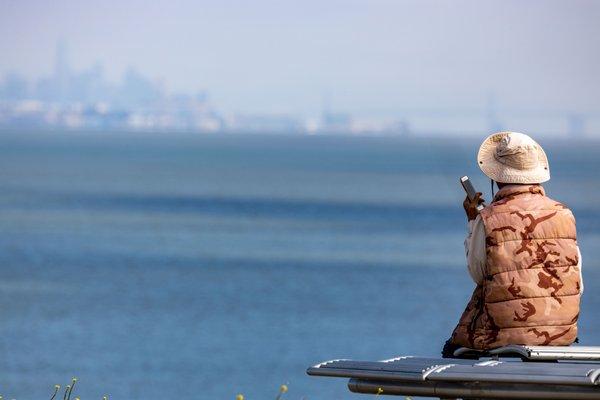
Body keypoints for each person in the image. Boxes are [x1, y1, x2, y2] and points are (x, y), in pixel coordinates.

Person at [442, 131, 583, 358]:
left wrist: (472, 222)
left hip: (501, 335)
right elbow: (577, 282)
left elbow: (479, 274)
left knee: (451, 350)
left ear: (496, 177)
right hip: (561, 334)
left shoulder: (488, 218)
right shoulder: (564, 214)